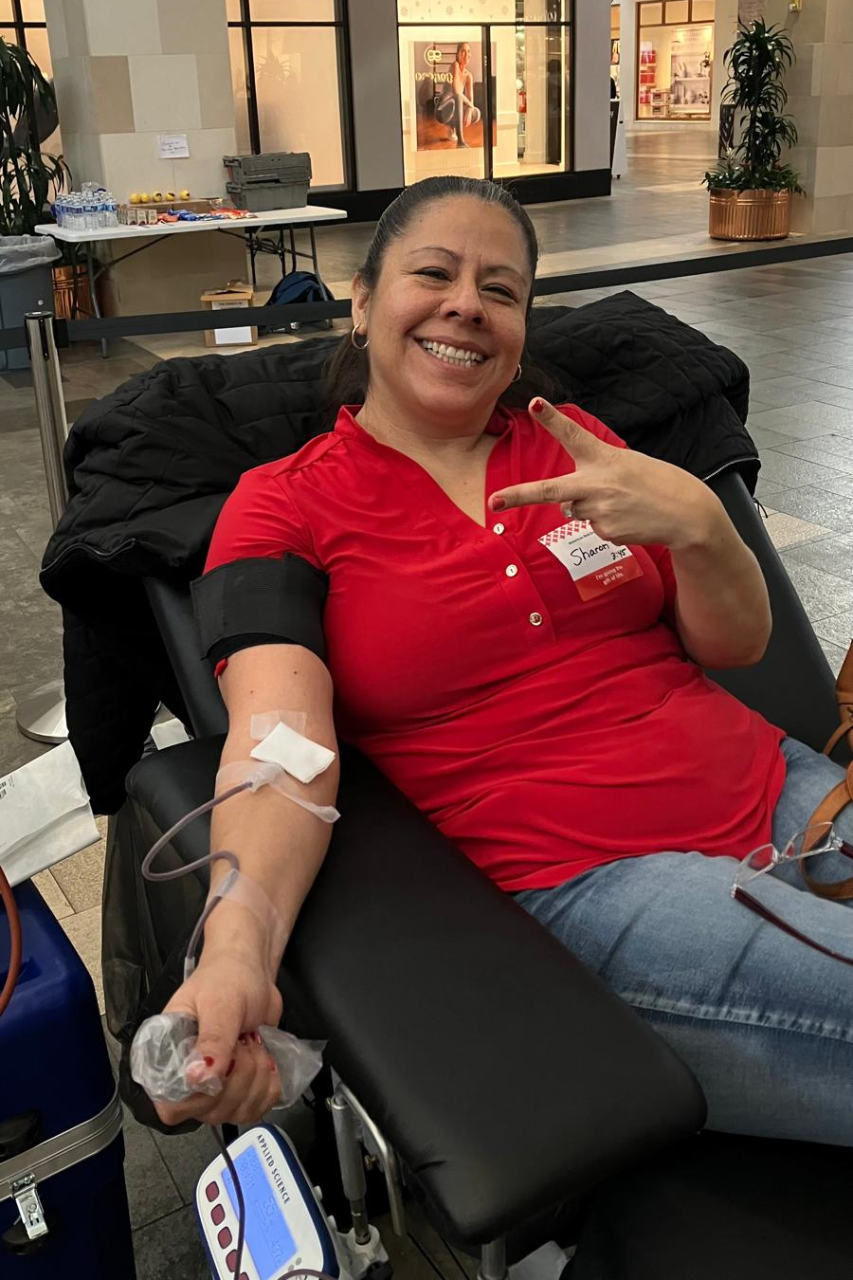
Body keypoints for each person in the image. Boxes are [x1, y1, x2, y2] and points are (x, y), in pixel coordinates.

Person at [154, 175, 853, 1143]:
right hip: (598, 879)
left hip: (782, 789)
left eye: (501, 289)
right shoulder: (283, 505)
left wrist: (700, 525)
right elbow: (282, 751)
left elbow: (733, 644)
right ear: (360, 303)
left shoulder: (578, 448)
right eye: (432, 273)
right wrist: (236, 949)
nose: (465, 306)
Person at [446, 42, 481, 148]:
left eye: (468, 51)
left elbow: (470, 98)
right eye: (463, 51)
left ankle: (454, 127)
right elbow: (456, 91)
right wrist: (469, 105)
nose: (466, 54)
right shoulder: (454, 66)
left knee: (477, 113)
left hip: (458, 105)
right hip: (446, 108)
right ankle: (460, 141)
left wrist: (469, 110)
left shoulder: (469, 75)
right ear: (457, 54)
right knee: (458, 98)